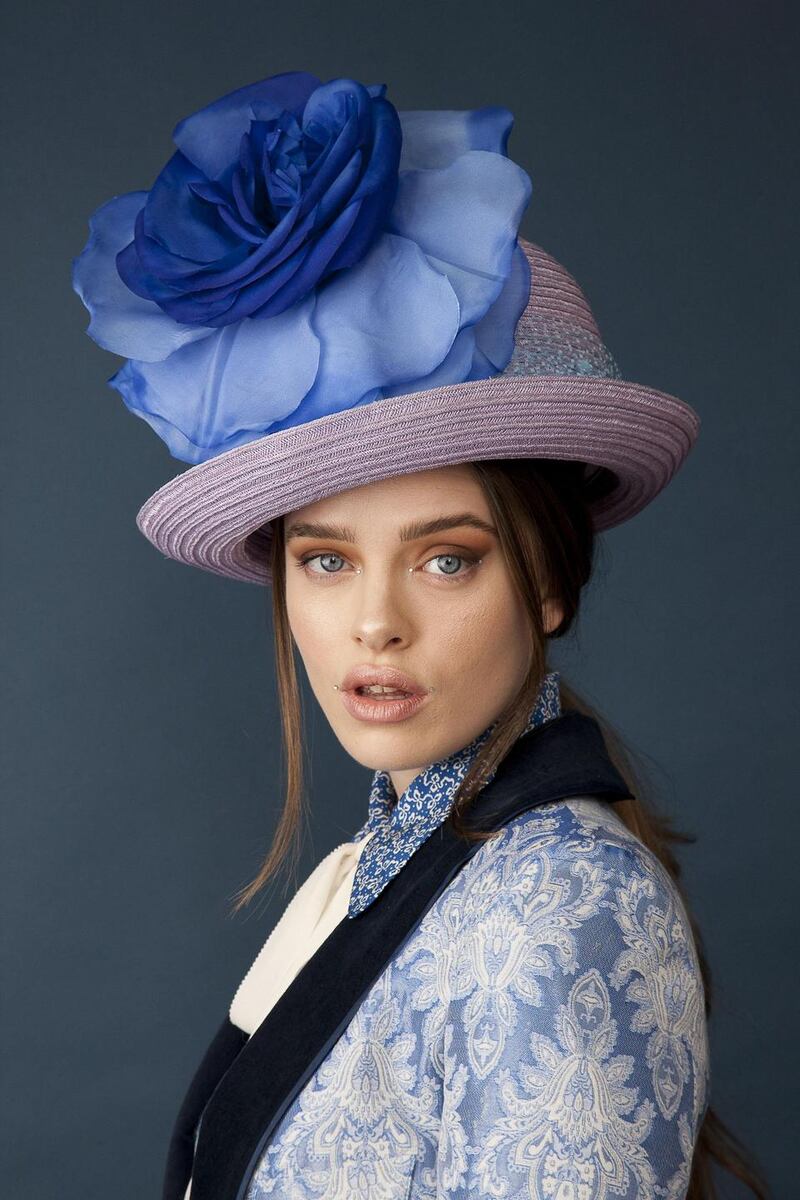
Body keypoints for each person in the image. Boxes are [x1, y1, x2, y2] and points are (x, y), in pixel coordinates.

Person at [71, 70, 768, 1200]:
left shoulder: (557, 904)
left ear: (548, 583)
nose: (375, 623)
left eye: (447, 559)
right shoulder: (403, 865)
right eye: (326, 560)